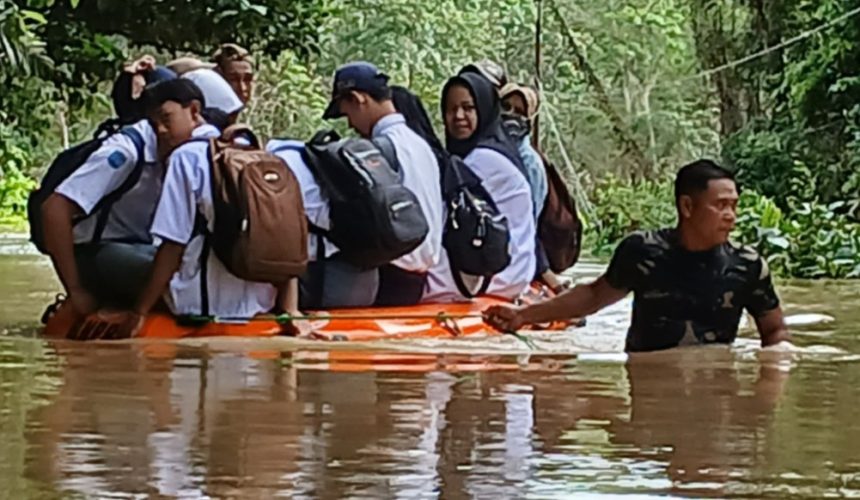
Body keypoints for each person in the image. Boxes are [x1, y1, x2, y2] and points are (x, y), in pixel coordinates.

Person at [485, 160, 791, 352]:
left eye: (734, 206)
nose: (731, 216)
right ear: (687, 207)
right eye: (721, 205)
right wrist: (523, 316)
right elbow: (593, 296)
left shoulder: (748, 266)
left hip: (717, 392)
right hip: (651, 391)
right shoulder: (643, 251)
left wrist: (767, 392)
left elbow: (774, 330)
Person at [113, 79, 297, 338]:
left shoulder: (186, 157)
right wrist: (291, 310)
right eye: (154, 125)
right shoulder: (257, 154)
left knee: (110, 260)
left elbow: (173, 245)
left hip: (201, 304)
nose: (161, 131)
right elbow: (283, 238)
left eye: (166, 118)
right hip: (259, 304)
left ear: (195, 110)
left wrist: (139, 312)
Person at [42, 59, 177, 322]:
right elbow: (54, 209)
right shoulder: (123, 152)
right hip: (98, 252)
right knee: (168, 277)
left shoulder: (187, 151)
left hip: (141, 248)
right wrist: (76, 290)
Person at [322, 61, 443, 306]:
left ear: (358, 99)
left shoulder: (379, 150)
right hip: (419, 276)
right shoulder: (419, 144)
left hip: (391, 276)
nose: (350, 125)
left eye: (348, 114)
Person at [423, 72, 537, 302]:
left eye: (468, 108)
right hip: (513, 274)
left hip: (498, 277)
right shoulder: (494, 150)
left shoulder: (482, 160)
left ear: (484, 109)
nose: (458, 116)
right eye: (451, 109)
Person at [266, 139, 380, 309]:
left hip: (323, 286)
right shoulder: (327, 166)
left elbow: (285, 245)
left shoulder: (281, 169)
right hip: (367, 283)